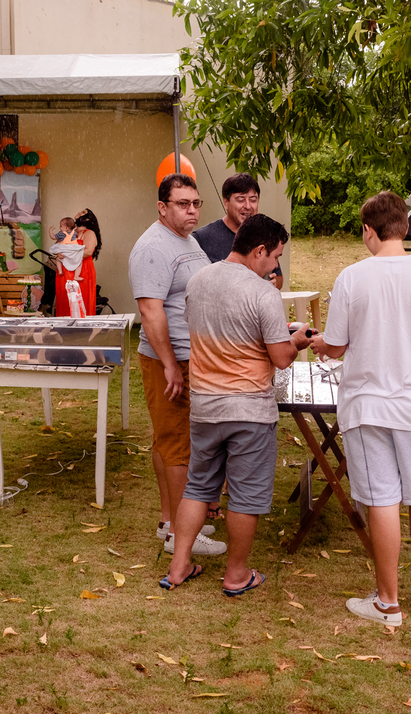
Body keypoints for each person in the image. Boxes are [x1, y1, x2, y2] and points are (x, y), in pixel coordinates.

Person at [308, 191, 411, 625]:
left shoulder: (352, 278)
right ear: (406, 227)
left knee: (381, 501)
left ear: (368, 231)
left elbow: (336, 346)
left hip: (367, 406)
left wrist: (319, 342)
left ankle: (387, 602)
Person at [162, 214, 312, 593]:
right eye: (275, 256)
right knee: (245, 495)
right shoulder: (262, 292)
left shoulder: (198, 281)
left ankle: (179, 567)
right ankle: (237, 575)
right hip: (249, 410)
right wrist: (296, 341)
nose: (276, 265)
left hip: (205, 405)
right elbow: (279, 357)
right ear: (258, 250)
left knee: (198, 487)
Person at [129, 173, 225, 557]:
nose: (192, 210)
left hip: (190, 357)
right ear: (162, 207)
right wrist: (170, 364)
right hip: (170, 360)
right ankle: (180, 534)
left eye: (196, 203)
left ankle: (171, 520)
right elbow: (150, 311)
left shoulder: (186, 240)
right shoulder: (152, 247)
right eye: (183, 204)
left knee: (168, 440)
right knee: (178, 445)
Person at [192, 173, 283, 289]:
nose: (248, 206)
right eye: (241, 200)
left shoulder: (265, 235)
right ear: (226, 202)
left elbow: (278, 276)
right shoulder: (202, 238)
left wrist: (275, 282)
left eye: (253, 200)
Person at [52, 209, 99, 317]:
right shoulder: (67, 233)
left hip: (82, 270)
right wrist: (58, 253)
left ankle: (81, 329)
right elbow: (58, 247)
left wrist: (68, 254)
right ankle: (64, 328)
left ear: (87, 218)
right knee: (64, 298)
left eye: (83, 212)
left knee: (78, 298)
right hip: (64, 272)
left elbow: (87, 251)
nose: (79, 212)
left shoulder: (89, 233)